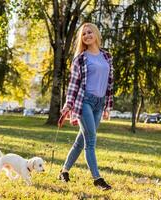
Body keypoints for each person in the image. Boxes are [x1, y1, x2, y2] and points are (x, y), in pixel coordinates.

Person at [58, 22, 114, 190]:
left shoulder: (107, 56)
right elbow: (74, 84)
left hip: (100, 102)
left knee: (80, 141)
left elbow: (110, 83)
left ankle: (64, 171)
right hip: (85, 102)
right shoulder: (80, 59)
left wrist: (108, 107)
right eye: (84, 34)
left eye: (90, 32)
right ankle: (97, 179)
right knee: (91, 140)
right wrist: (69, 104)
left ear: (96, 34)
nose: (87, 35)